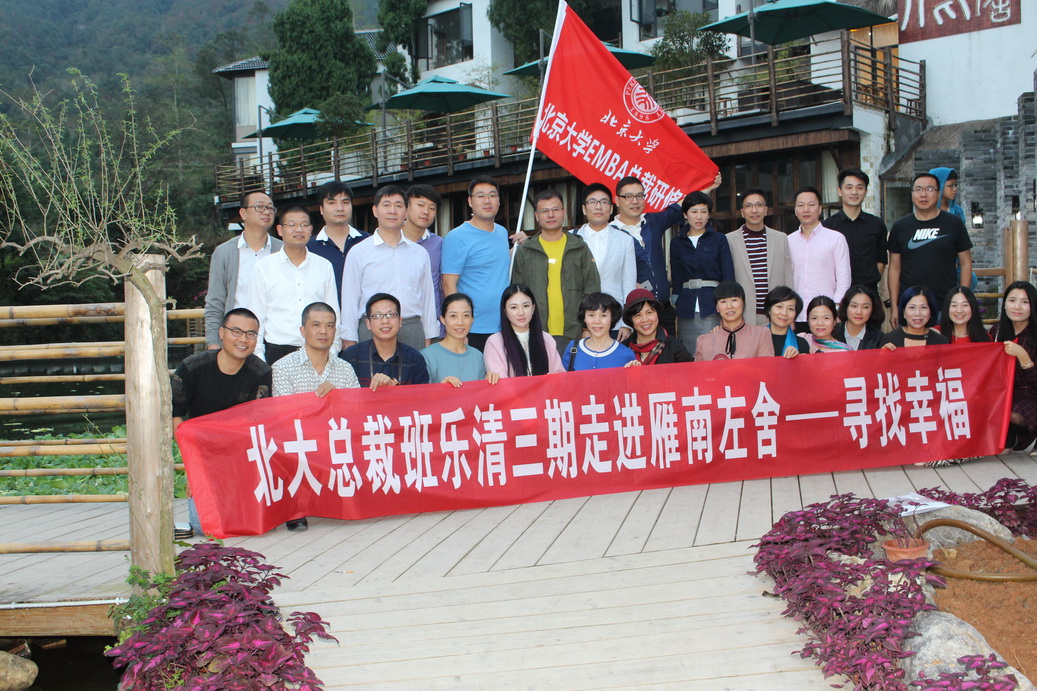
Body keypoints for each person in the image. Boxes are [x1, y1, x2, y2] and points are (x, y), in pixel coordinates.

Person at [172, 308, 271, 535]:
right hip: (202, 454)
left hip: (241, 455)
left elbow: (260, 422)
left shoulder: (261, 372)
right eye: (236, 332)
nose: (243, 340)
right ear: (221, 333)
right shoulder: (192, 368)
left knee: (250, 522)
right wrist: (193, 467)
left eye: (251, 334)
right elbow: (176, 416)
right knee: (204, 526)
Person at [271, 301, 359, 532]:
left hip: (335, 442)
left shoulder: (345, 369)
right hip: (300, 441)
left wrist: (338, 399)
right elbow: (284, 416)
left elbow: (356, 415)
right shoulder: (282, 368)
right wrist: (325, 406)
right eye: (316, 325)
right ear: (303, 330)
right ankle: (296, 509)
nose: (323, 331)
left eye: (329, 326)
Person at [339, 185, 438, 351]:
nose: (392, 211)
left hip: (412, 328)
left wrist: (428, 338)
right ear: (375, 210)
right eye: (386, 205)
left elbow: (428, 300)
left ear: (406, 212)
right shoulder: (358, 252)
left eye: (398, 205)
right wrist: (349, 341)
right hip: (371, 328)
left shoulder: (420, 253)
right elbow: (350, 300)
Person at [512, 189, 601, 353]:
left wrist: (587, 327)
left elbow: (592, 290)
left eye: (555, 209)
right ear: (536, 216)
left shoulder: (579, 247)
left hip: (574, 332)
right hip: (536, 333)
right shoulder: (526, 251)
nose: (551, 215)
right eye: (544, 211)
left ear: (564, 212)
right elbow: (517, 294)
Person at [249, 207, 339, 364]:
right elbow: (256, 316)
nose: (299, 229)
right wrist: (259, 357)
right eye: (291, 225)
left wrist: (332, 352)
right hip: (277, 351)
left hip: (318, 350)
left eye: (304, 225)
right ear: (280, 230)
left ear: (311, 230)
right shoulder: (263, 267)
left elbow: (333, 312)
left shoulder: (324, 266)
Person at [887, 172, 973, 327]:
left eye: (930, 189)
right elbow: (894, 267)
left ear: (938, 193)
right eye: (918, 189)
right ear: (912, 193)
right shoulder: (900, 227)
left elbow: (965, 263)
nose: (923, 194)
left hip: (945, 305)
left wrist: (962, 299)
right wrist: (894, 306)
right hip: (910, 307)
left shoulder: (954, 223)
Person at [204, 191, 282, 349]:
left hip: (276, 339)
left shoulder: (283, 250)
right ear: (243, 213)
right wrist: (213, 343)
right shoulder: (224, 252)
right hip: (237, 339)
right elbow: (215, 302)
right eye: (259, 207)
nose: (266, 212)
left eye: (270, 208)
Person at [441, 176, 511, 351]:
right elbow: (448, 284)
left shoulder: (502, 232)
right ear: (470, 201)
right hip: (473, 328)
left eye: (492, 195)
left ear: (499, 200)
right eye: (480, 196)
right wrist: (460, 329)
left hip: (504, 324)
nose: (487, 201)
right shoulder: (457, 237)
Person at [670, 191, 735, 353]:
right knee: (688, 353)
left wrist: (728, 302)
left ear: (709, 214)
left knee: (714, 351)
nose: (699, 217)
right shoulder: (676, 242)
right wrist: (676, 301)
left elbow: (728, 274)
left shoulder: (719, 239)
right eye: (694, 211)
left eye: (703, 211)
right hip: (686, 306)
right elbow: (676, 276)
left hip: (712, 303)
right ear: (685, 214)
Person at [569, 184, 636, 328]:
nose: (598, 207)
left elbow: (629, 285)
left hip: (615, 319)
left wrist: (626, 324)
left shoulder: (625, 240)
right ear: (584, 209)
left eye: (604, 202)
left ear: (611, 209)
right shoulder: (570, 239)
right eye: (592, 202)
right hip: (579, 319)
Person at [727, 188, 795, 326]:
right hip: (743, 316)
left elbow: (788, 277)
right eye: (749, 206)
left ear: (766, 210)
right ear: (742, 212)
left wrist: (790, 314)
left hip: (775, 315)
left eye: (759, 205)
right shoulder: (729, 240)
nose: (754, 210)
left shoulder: (781, 238)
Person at [339, 293, 430, 389]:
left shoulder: (414, 359)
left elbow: (421, 396)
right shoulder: (352, 356)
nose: (385, 321)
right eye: (377, 316)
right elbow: (345, 394)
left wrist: (394, 386)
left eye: (391, 315)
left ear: (400, 321)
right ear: (368, 324)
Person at [787, 186, 851, 323]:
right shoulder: (788, 241)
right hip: (796, 315)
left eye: (811, 205)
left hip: (826, 315)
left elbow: (843, 277)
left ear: (820, 208)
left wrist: (837, 308)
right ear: (795, 210)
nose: (806, 209)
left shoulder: (835, 239)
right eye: (801, 205)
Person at [990, 281, 1037, 451]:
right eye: (1012, 300)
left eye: (1025, 302)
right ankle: (1011, 439)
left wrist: (1023, 357)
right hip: (1003, 392)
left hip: (1031, 394)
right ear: (1004, 305)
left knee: (1011, 412)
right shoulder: (996, 331)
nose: (1017, 307)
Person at [824, 168, 888, 292]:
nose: (854, 192)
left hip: (869, 291)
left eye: (859, 188)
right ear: (839, 191)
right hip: (838, 293)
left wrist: (873, 278)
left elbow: (881, 259)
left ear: (865, 191)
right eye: (849, 187)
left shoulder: (877, 224)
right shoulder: (827, 226)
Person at [483, 283, 566, 378]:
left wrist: (554, 378)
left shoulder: (546, 339)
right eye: (514, 307)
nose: (521, 312)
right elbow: (500, 381)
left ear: (533, 308)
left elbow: (560, 375)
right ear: (505, 311)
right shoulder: (495, 342)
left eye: (526, 306)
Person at [307, 181, 370, 305]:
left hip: (364, 314)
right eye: (332, 203)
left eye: (345, 202)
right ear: (321, 209)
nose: (340, 208)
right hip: (327, 314)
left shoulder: (368, 241)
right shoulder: (309, 248)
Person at [421, 293, 500, 387]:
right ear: (443, 319)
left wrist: (490, 380)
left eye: (466, 315)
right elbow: (421, 393)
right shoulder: (427, 356)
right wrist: (441, 388)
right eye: (453, 316)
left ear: (472, 319)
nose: (460, 322)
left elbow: (480, 393)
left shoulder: (477, 356)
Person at [694, 281, 774, 360]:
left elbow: (766, 366)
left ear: (743, 303)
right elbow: (699, 368)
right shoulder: (704, 341)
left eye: (734, 300)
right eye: (723, 301)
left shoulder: (761, 334)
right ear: (717, 308)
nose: (729, 306)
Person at [403, 184, 444, 335]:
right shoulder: (391, 241)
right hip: (397, 325)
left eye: (432, 208)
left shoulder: (439, 244)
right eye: (420, 205)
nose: (426, 211)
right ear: (406, 207)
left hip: (433, 326)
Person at [563, 292, 639, 371]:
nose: (597, 321)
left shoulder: (625, 353)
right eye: (591, 315)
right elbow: (563, 377)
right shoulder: (573, 348)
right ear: (584, 317)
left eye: (603, 315)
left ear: (612, 317)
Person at [620, 288, 693, 365]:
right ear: (631, 319)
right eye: (638, 315)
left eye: (649, 312)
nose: (645, 319)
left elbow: (690, 370)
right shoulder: (622, 349)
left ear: (657, 313)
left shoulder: (674, 346)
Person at [880, 285, 949, 349]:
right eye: (912, 307)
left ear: (931, 312)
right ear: (903, 312)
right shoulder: (889, 339)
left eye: (923, 307)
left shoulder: (941, 341)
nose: (917, 313)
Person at [834, 285, 885, 350]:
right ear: (846, 307)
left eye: (865, 307)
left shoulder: (878, 338)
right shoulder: (832, 332)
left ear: (872, 310)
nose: (859, 312)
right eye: (854, 306)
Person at [764, 286, 809, 358]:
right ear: (769, 310)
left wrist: (797, 358)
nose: (784, 313)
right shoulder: (756, 340)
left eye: (790, 309)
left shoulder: (801, 344)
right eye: (779, 306)